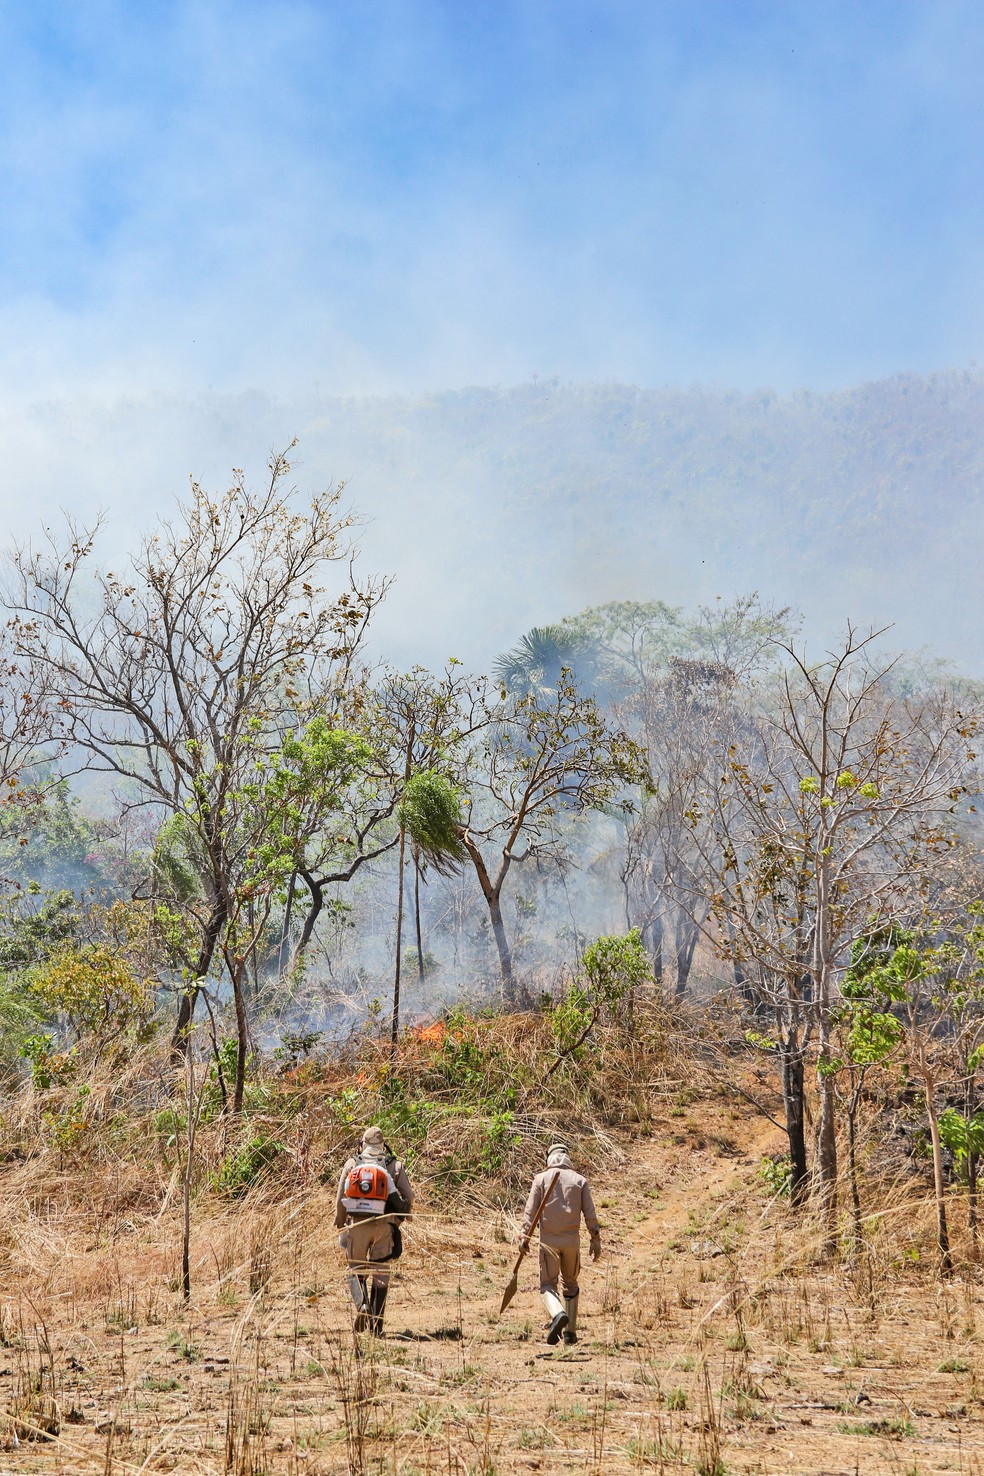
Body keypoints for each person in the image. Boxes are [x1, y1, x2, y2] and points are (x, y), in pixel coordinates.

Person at [519, 1142, 601, 1345]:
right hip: (572, 1243)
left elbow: (530, 1212)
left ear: (549, 1157)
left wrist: (524, 1237)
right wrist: (595, 1239)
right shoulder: (580, 1181)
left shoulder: (540, 1179)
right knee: (571, 1285)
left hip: (549, 1243)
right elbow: (590, 1214)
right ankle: (570, 1333)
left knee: (548, 1285)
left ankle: (557, 1314)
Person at [335, 1125, 414, 1335]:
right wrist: (396, 1223)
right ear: (382, 1145)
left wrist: (342, 1223)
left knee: (354, 1268)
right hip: (384, 1226)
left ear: (363, 1144)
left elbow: (340, 1199)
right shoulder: (394, 1165)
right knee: (381, 1274)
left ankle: (362, 1305)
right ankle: (377, 1329)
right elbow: (409, 1197)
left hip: (357, 1225)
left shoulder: (352, 1163)